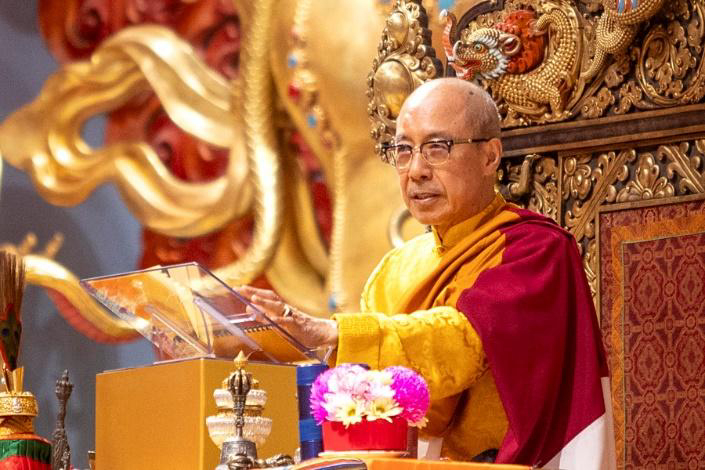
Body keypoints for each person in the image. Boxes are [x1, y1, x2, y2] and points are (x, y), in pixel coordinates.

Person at [237, 78, 615, 469]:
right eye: (404, 150)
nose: (416, 170)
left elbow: (462, 342)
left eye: (437, 148)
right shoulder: (393, 272)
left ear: (490, 157)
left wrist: (335, 334)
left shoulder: (538, 250)